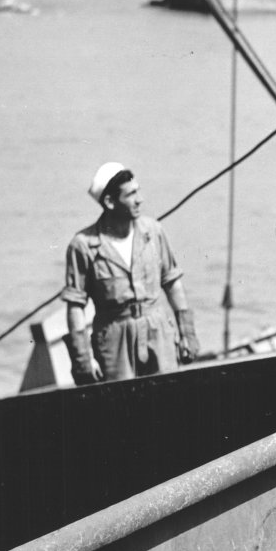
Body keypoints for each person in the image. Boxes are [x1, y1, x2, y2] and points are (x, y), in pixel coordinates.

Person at [61, 161, 202, 385]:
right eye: (131, 194)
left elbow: (172, 283)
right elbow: (76, 306)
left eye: (138, 191)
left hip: (159, 334)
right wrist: (83, 358)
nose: (139, 199)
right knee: (118, 403)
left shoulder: (153, 232)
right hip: (114, 342)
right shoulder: (84, 246)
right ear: (110, 202)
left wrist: (187, 332)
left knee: (169, 398)